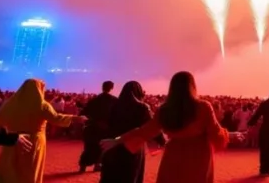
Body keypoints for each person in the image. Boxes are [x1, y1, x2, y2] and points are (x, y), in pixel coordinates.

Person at [101, 71, 242, 183]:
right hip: (199, 157)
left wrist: (116, 140)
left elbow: (143, 132)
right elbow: (216, 133)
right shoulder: (203, 107)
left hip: (173, 156)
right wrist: (231, 134)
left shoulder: (165, 110)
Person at [0, 78, 86, 183]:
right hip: (33, 142)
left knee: (11, 168)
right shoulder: (41, 105)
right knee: (29, 170)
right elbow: (56, 118)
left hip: (12, 140)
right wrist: (74, 118)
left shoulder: (10, 104)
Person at [99, 81, 162, 183]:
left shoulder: (114, 106)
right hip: (133, 147)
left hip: (113, 146)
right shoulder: (142, 107)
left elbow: (107, 126)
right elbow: (151, 128)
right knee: (131, 176)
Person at [79, 81, 117, 173]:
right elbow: (117, 115)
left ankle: (83, 166)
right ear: (112, 88)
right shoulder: (114, 100)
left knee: (89, 147)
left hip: (92, 127)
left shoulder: (94, 100)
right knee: (102, 147)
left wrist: (94, 121)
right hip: (105, 128)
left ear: (102, 87)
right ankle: (97, 165)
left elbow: (84, 113)